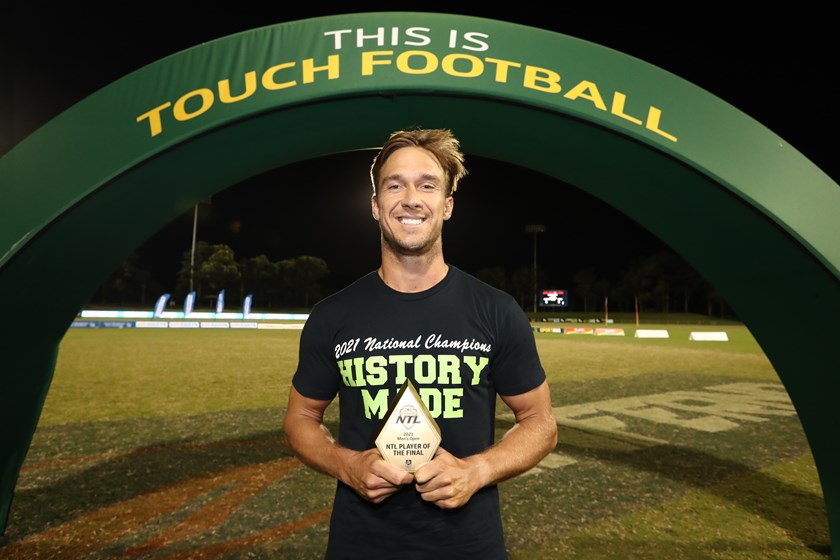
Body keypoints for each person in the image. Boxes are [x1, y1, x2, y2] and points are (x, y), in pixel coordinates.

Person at [283, 128, 557, 559]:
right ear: (375, 206)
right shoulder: (332, 315)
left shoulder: (496, 311)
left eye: (427, 185)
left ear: (446, 205)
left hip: (470, 546)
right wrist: (348, 465)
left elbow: (541, 423)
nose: (411, 198)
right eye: (395, 185)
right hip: (360, 545)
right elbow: (300, 417)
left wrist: (476, 470)